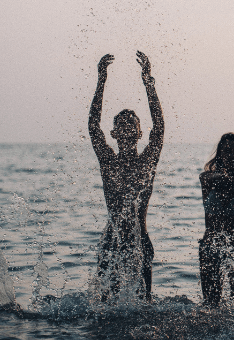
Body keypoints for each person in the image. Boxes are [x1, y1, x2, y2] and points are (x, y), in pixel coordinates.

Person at [88, 51, 164, 302]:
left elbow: (160, 126)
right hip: (111, 239)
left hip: (140, 239)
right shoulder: (108, 161)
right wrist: (101, 82)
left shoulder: (146, 162)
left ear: (140, 133)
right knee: (104, 304)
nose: (127, 127)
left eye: (132, 124)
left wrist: (148, 82)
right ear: (114, 133)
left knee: (144, 303)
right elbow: (92, 125)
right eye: (121, 124)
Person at [198, 133, 234, 307]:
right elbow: (208, 177)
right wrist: (227, 177)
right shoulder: (207, 178)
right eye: (226, 151)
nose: (230, 155)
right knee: (210, 304)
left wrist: (232, 178)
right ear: (220, 154)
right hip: (210, 245)